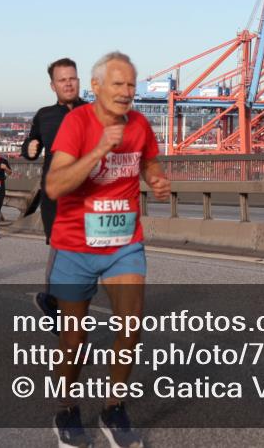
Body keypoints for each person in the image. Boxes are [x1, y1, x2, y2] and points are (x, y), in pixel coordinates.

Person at [45, 52, 170, 448]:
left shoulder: (139, 124)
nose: (127, 92)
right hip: (74, 244)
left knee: (131, 324)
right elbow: (54, 186)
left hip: (123, 244)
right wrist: (99, 150)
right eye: (118, 84)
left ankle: (114, 406)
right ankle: (66, 409)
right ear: (96, 87)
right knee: (73, 340)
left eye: (131, 84)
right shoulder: (75, 123)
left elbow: (149, 163)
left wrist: (157, 179)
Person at [22, 58, 86, 326]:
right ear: (53, 85)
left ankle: (57, 306)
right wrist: (30, 148)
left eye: (72, 78)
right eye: (62, 80)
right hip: (56, 194)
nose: (68, 83)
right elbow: (28, 146)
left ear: (78, 81)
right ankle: (55, 306)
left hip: (88, 194)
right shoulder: (44, 115)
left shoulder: (95, 112)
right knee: (62, 250)